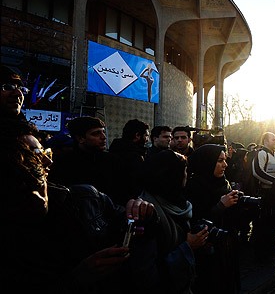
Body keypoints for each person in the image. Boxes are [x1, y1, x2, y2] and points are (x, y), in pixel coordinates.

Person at [0, 118, 158, 294]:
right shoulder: (63, 166)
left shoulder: (82, 195)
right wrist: (75, 279)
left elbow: (129, 217)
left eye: (46, 153)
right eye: (35, 155)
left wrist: (144, 212)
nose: (46, 162)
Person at [138, 149, 208, 293]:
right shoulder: (145, 212)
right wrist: (187, 247)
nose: (187, 175)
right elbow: (146, 274)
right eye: (184, 171)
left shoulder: (179, 203)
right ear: (173, 175)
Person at [185, 143, 245, 293]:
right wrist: (220, 206)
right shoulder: (194, 187)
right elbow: (195, 221)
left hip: (227, 245)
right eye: (219, 161)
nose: (225, 164)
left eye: (225, 160)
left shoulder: (224, 183)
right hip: (209, 253)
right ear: (207, 162)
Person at [250, 131, 275, 259]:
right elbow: (257, 171)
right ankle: (261, 250)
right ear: (265, 141)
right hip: (266, 193)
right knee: (264, 222)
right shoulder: (261, 153)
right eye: (273, 139)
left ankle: (271, 245)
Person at [109, 118, 150, 204]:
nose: (147, 139)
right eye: (146, 135)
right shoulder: (135, 157)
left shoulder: (113, 151)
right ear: (137, 135)